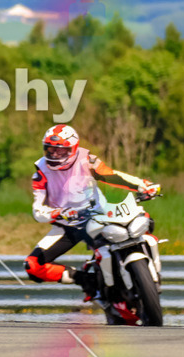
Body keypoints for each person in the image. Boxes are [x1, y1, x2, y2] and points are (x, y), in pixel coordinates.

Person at [23, 124, 160, 299]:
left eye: (61, 150)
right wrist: (58, 213)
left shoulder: (86, 159)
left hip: (97, 216)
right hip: (67, 225)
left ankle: (147, 269)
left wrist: (142, 185)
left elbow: (111, 175)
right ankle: (86, 280)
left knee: (143, 219)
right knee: (33, 265)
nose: (55, 154)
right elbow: (38, 209)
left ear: (73, 148)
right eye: (50, 149)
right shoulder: (41, 172)